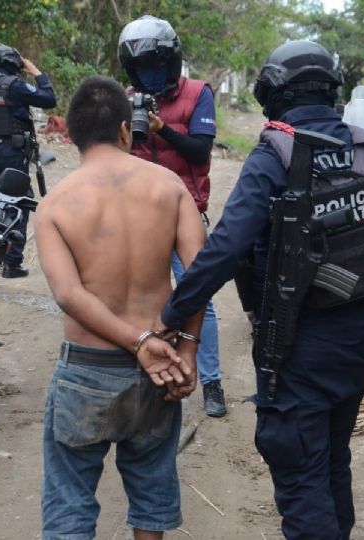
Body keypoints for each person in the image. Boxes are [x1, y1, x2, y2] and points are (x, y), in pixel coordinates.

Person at [158, 40, 364, 540]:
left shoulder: (275, 155)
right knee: (332, 460)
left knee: (301, 474)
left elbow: (225, 249)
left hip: (296, 349)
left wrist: (173, 313)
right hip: (358, 342)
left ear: (273, 92)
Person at [36, 76, 205, 540]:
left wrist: (137, 343)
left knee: (70, 501)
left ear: (70, 135)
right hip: (161, 370)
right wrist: (185, 351)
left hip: (87, 370)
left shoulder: (54, 206)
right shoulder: (169, 187)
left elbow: (70, 295)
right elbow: (198, 275)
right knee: (151, 492)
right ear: (128, 131)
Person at [118, 15, 227, 417]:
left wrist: (162, 127)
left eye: (156, 65)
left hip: (186, 212)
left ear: (172, 62)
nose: (149, 74)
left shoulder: (198, 93)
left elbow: (200, 152)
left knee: (198, 296)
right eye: (142, 68)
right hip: (138, 215)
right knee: (139, 293)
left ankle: (212, 382)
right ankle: (148, 369)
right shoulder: (127, 97)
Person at [0, 45, 56, 278]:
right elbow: (49, 99)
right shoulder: (14, 86)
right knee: (19, 200)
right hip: (11, 150)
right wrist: (36, 72)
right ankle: (12, 262)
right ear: (14, 66)